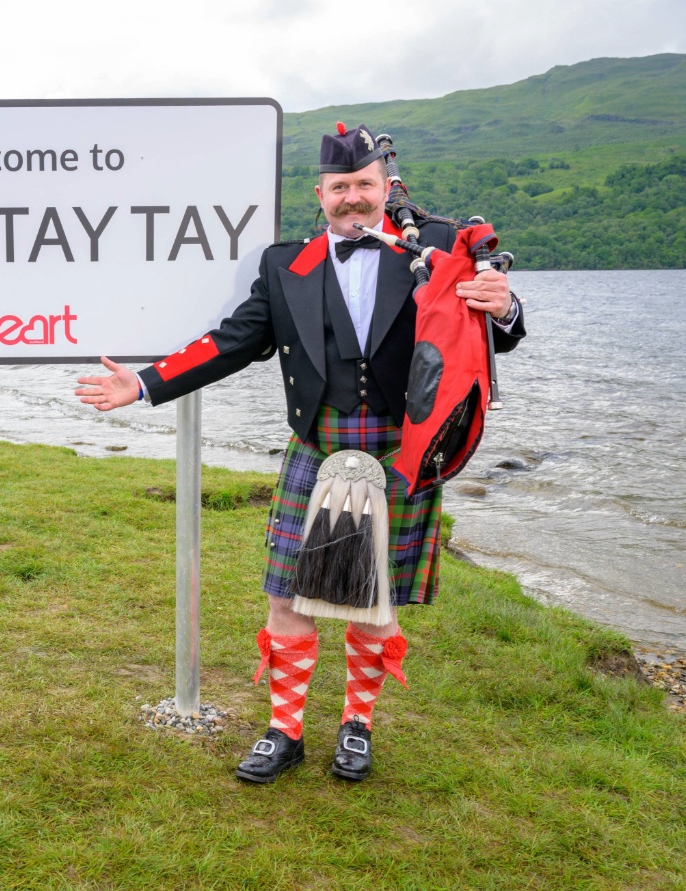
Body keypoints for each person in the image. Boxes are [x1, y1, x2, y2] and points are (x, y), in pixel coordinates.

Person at [76, 123, 526, 783]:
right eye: (339, 187)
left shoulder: (436, 246)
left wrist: (507, 306)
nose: (352, 198)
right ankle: (284, 732)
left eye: (363, 185)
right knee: (287, 598)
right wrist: (144, 383)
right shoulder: (287, 265)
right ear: (320, 193)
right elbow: (233, 340)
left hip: (402, 449)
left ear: (386, 185)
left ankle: (357, 728)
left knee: (374, 602)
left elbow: (498, 331)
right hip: (319, 446)